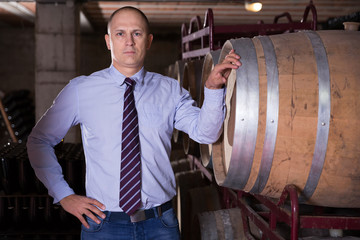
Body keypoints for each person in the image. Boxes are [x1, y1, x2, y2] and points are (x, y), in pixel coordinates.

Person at [27, 6, 241, 240]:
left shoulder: (168, 90)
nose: (129, 41)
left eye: (136, 33)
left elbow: (206, 134)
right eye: (120, 33)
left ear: (148, 41)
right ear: (108, 41)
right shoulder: (81, 90)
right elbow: (39, 141)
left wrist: (212, 89)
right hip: (103, 225)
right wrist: (63, 194)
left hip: (160, 224)